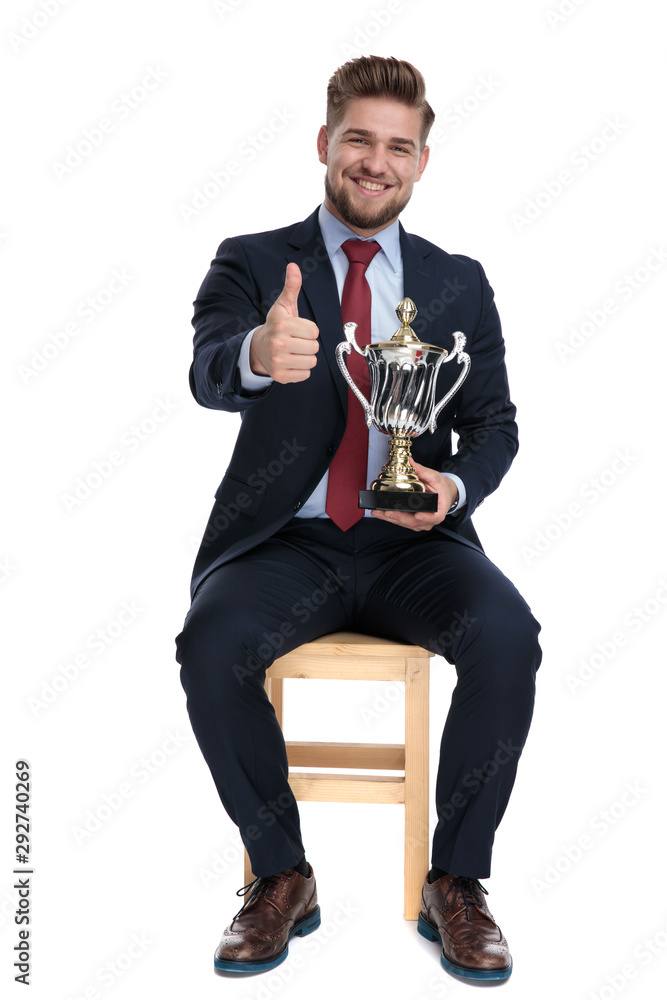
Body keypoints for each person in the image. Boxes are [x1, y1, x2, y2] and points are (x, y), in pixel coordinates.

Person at [175, 54, 542, 983]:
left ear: (421, 162)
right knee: (210, 643)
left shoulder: (458, 282)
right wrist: (259, 351)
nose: (374, 162)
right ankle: (282, 875)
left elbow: (494, 426)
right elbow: (208, 366)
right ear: (323, 145)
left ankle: (455, 879)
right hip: (284, 544)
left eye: (397, 147)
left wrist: (450, 493)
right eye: (358, 141)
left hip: (411, 546)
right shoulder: (255, 261)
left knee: (508, 636)